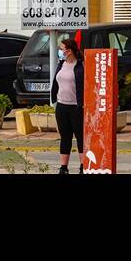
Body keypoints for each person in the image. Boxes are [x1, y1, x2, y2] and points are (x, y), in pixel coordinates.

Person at [50, 36, 83, 174]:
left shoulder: (81, 66)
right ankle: (64, 167)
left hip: (76, 107)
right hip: (62, 106)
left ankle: (83, 166)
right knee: (65, 136)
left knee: (80, 136)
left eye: (61, 49)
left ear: (69, 51)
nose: (60, 51)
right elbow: (56, 83)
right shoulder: (61, 64)